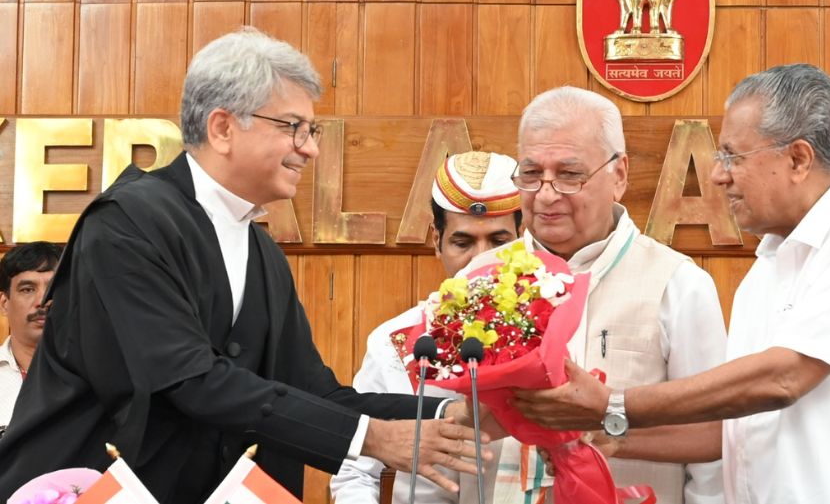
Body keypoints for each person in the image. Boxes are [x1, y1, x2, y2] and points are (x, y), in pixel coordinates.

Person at [0, 28, 490, 504]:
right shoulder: (127, 222)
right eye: (293, 127)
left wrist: (456, 411)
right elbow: (188, 379)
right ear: (223, 128)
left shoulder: (262, 252)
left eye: (312, 130)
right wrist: (372, 438)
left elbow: (320, 394)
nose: (310, 147)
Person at [512, 64, 830, 503]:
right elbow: (734, 429)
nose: (717, 174)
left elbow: (785, 377)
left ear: (798, 158)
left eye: (733, 156)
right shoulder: (765, 269)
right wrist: (606, 434)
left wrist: (614, 405)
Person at [466, 86, 727, 504]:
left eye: (570, 175)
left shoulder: (677, 284)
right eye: (531, 175)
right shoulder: (478, 279)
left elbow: (713, 447)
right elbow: (440, 437)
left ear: (619, 175)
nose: (547, 194)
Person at [331, 150, 522, 503]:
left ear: (523, 239)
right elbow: (353, 469)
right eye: (462, 242)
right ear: (436, 241)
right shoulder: (396, 340)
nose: (481, 258)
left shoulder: (549, 332)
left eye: (499, 242)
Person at [0, 242, 62, 433]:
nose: (42, 301)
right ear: (4, 304)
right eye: (27, 289)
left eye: (54, 288)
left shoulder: (101, 375)